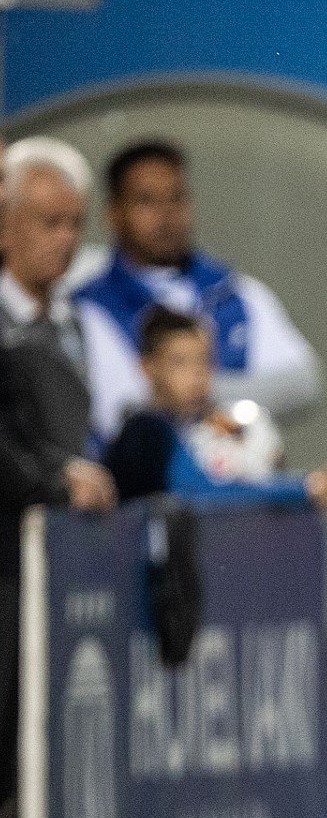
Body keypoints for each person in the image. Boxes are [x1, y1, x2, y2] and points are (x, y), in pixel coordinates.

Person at [0, 136, 117, 815]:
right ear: (5, 225)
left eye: (76, 223)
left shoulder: (80, 326)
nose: (67, 240)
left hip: (61, 577)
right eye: (50, 222)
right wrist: (55, 482)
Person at [73, 140, 321, 443]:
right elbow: (112, 414)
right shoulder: (83, 312)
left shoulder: (237, 294)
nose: (166, 214)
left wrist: (203, 389)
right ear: (113, 214)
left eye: (177, 198)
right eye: (147, 201)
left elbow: (303, 385)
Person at [102, 306, 327, 508]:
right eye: (180, 362)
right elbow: (201, 493)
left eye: (204, 361)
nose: (196, 375)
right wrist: (303, 488)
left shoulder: (215, 427)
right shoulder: (144, 432)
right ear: (148, 368)